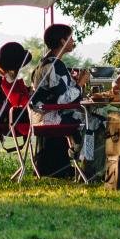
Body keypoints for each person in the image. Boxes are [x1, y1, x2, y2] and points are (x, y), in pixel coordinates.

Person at [28, 22, 92, 177]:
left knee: (92, 117)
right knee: (98, 121)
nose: (73, 41)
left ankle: (78, 158)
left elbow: (55, 90)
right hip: (53, 117)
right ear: (63, 41)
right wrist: (80, 84)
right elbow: (63, 99)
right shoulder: (55, 65)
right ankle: (89, 165)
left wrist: (71, 81)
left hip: (41, 116)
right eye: (71, 38)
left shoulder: (44, 63)